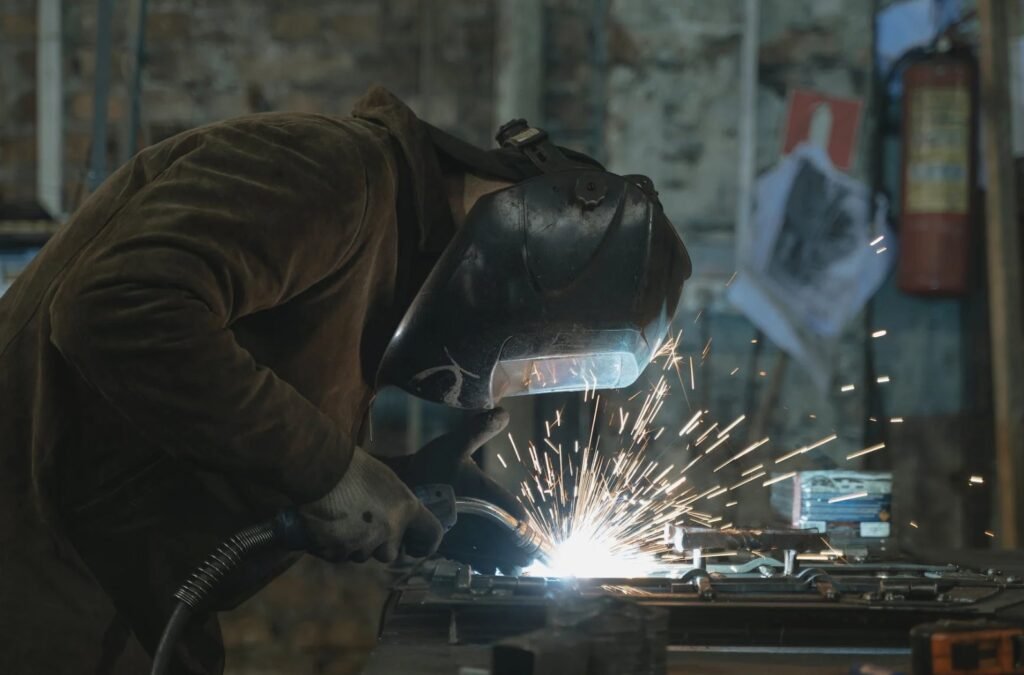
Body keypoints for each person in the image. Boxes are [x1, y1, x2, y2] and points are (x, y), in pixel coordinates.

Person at [0, 85, 690, 674]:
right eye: (543, 350)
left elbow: (204, 416)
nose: (511, 383)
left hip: (116, 605)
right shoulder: (332, 174)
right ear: (542, 233)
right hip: (34, 589)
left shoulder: (382, 265)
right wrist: (328, 469)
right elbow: (113, 308)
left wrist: (395, 480)